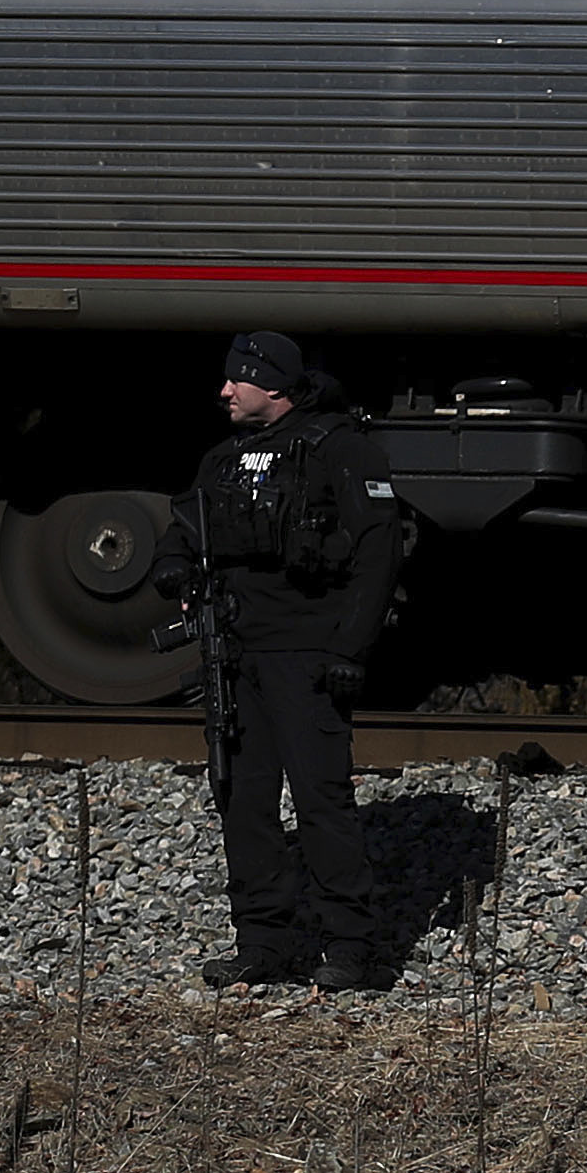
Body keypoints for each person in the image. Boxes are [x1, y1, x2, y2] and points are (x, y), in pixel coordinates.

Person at [155, 332, 415, 993]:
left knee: (321, 800)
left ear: (272, 384)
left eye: (236, 380)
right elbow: (182, 529)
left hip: (309, 656)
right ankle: (262, 942)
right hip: (237, 653)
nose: (223, 392)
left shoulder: (339, 450)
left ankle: (349, 947)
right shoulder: (223, 460)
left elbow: (379, 552)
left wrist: (349, 648)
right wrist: (173, 569)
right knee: (243, 801)